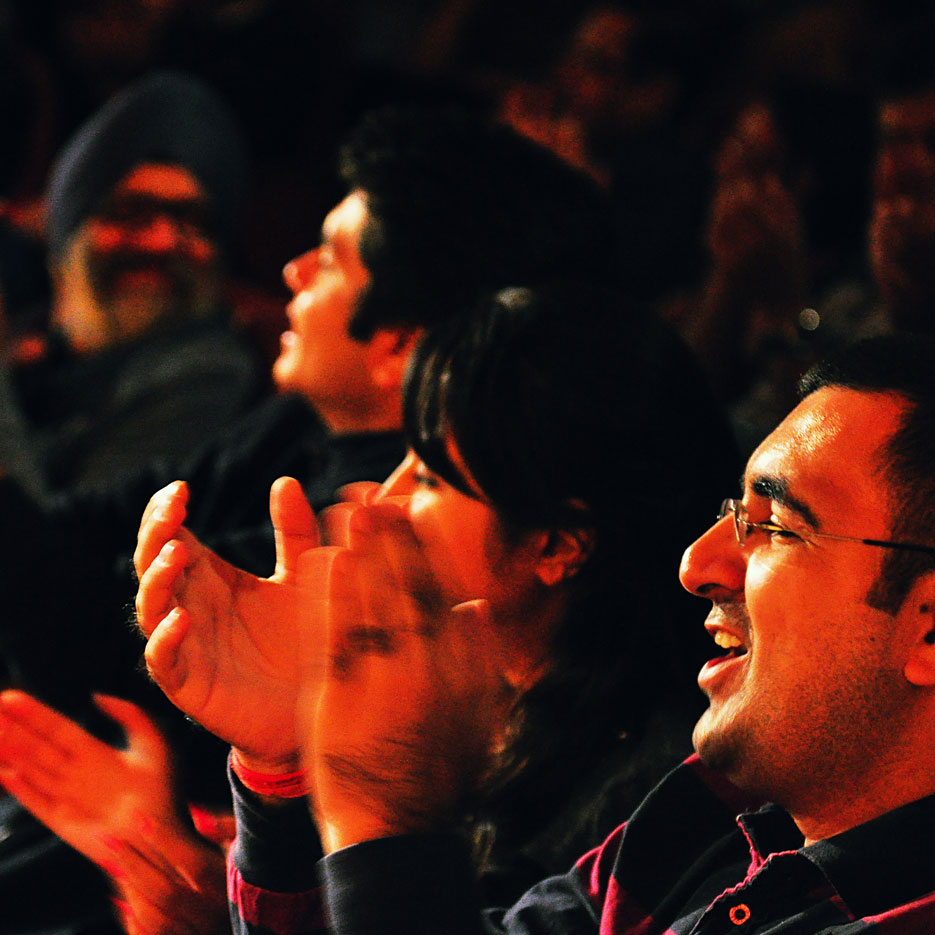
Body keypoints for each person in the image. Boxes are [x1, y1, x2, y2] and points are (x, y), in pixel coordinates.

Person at [0, 107, 617, 934]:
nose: (289, 270)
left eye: (328, 258)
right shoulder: (300, 425)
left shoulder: (373, 529)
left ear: (400, 341)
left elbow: (105, 654)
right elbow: (78, 544)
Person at [132, 282, 740, 929]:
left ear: (556, 543)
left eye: (426, 477)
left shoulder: (649, 793)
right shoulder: (487, 713)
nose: (379, 496)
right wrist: (281, 764)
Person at [286, 331, 935, 933]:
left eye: (774, 525)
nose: (697, 564)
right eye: (733, 511)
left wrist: (385, 820)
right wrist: (279, 771)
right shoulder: (710, 810)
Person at [7, 69, 263, 494]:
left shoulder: (206, 374)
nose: (162, 242)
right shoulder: (27, 333)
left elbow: (51, 550)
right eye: (132, 213)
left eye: (192, 221)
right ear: (70, 232)